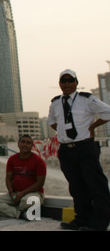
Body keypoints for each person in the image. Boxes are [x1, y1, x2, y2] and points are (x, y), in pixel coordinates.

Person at [48, 69, 110, 231]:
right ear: (59, 83)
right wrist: (64, 133)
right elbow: (51, 122)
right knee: (76, 186)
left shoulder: (86, 99)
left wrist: (92, 127)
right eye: (63, 81)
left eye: (70, 80)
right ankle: (82, 218)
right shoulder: (55, 103)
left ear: (76, 82)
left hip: (84, 147)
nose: (67, 84)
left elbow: (107, 112)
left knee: (96, 185)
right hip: (66, 150)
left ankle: (100, 222)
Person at [0, 135, 46, 220]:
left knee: (26, 201)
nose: (25, 145)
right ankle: (20, 214)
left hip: (33, 194)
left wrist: (21, 194)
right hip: (15, 194)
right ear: (18, 144)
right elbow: (8, 178)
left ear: (32, 146)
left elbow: (40, 183)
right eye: (22, 142)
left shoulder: (39, 161)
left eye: (28, 143)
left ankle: (14, 211)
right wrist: (12, 193)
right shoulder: (12, 159)